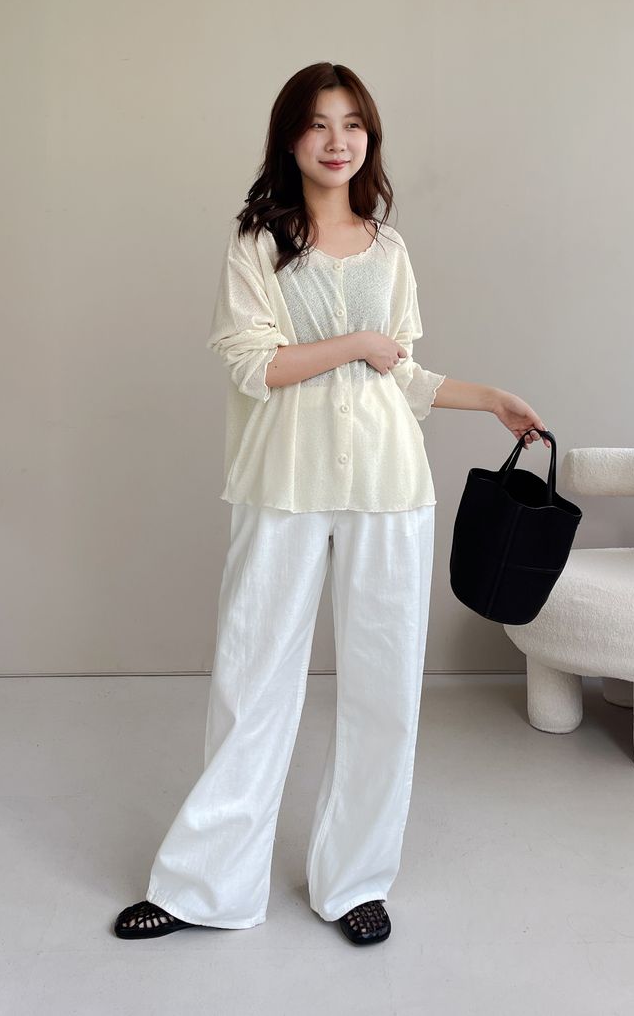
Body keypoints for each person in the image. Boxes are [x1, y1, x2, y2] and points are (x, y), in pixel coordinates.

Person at [114, 63, 549, 946]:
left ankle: (355, 880)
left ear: (369, 138)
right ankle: (207, 885)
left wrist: (489, 398)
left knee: (385, 687)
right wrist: (353, 342)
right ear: (290, 137)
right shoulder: (257, 244)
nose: (337, 140)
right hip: (284, 480)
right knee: (252, 679)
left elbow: (404, 374)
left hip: (389, 485)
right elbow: (254, 364)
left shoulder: (390, 250)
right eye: (318, 123)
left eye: (353, 123)